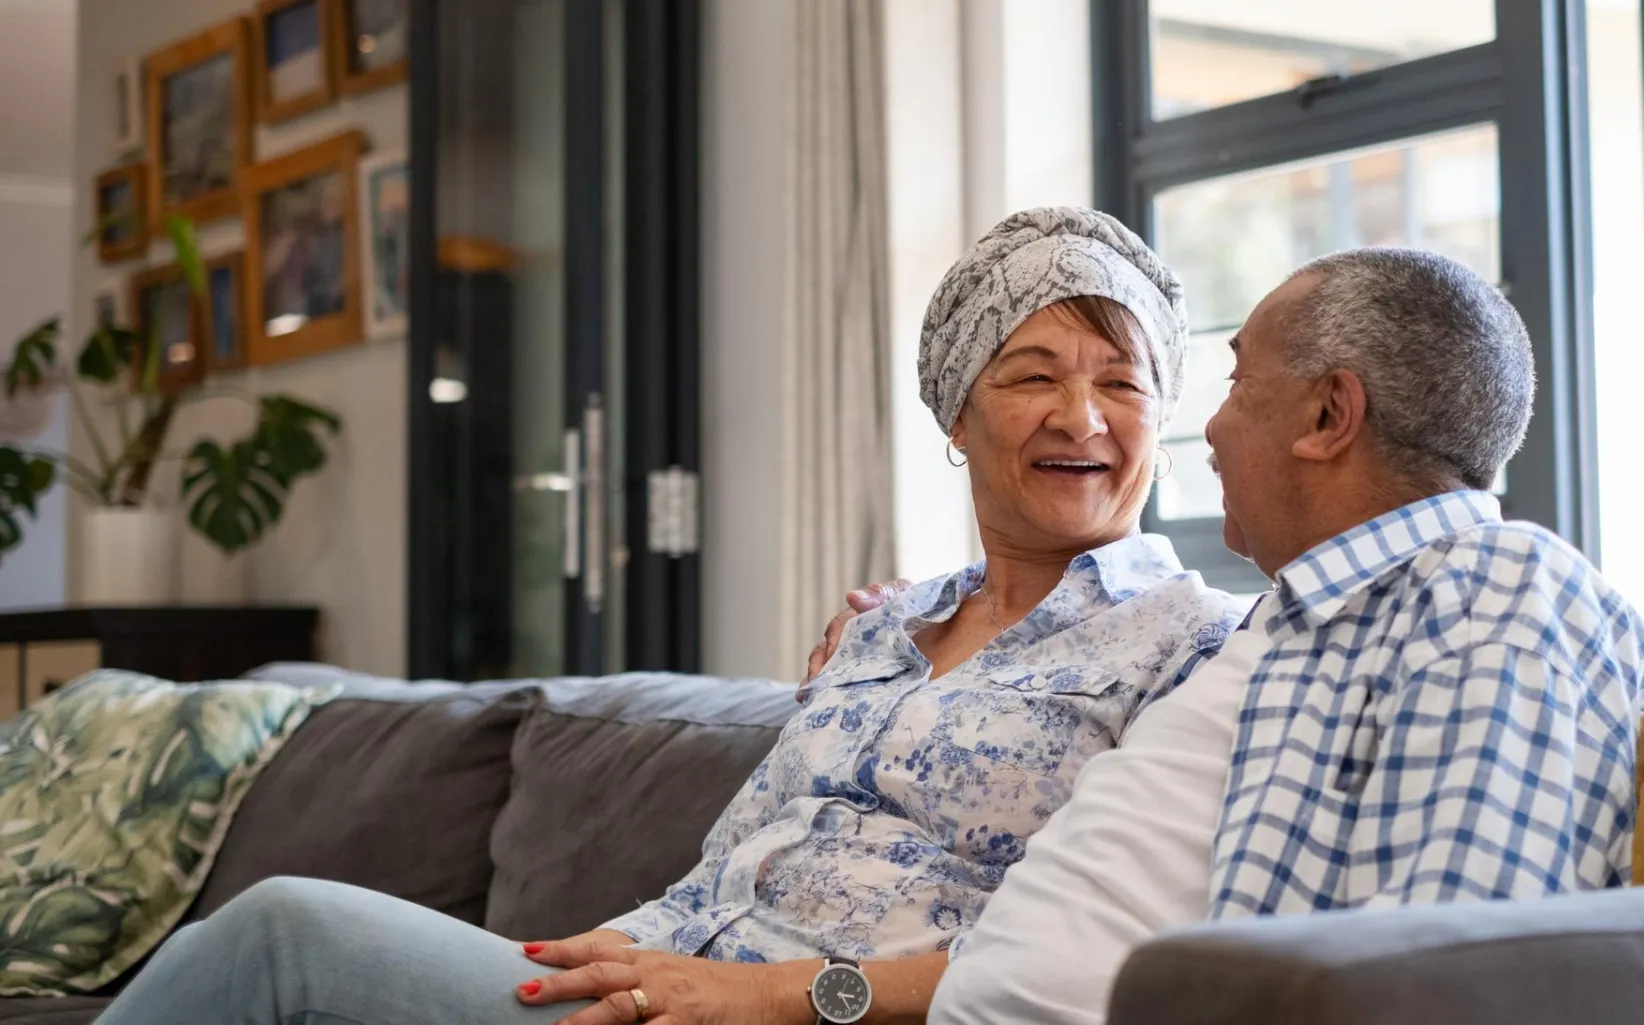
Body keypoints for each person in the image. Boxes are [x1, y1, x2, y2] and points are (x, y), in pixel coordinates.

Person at [91, 207, 1244, 1025]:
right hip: (652, 979)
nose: (1083, 414)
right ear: (957, 413)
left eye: (1124, 378)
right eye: (1033, 372)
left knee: (286, 932)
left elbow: (1087, 963)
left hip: (785, 1013)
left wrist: (771, 994)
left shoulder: (1198, 645)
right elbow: (747, 859)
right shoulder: (889, 632)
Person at [824, 248, 1644, 1025]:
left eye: (1237, 387)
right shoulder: (1305, 621)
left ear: (1329, 414)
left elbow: (1448, 976)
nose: (1214, 435)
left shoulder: (1492, 593)